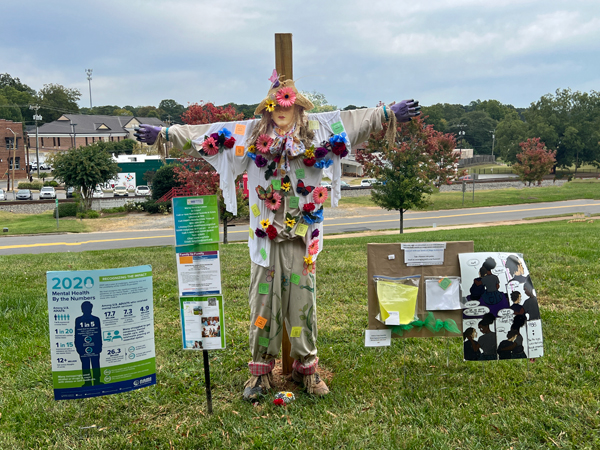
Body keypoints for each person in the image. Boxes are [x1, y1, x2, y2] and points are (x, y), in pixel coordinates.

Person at [135, 73, 420, 400]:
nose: (281, 110)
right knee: (264, 303)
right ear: (268, 108)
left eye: (289, 104)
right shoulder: (250, 134)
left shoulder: (319, 130)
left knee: (302, 303)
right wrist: (168, 134)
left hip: (304, 238)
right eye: (275, 105)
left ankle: (307, 369)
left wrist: (386, 114)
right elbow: (210, 135)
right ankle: (260, 372)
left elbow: (352, 121)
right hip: (265, 240)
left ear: (299, 107)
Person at [74, 301, 103, 387]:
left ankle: (97, 381)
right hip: (82, 346)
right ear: (82, 309)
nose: (86, 310)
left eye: (88, 308)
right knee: (85, 364)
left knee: (96, 363)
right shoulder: (78, 320)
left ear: (91, 309)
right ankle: (87, 382)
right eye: (85, 308)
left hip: (95, 346)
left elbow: (99, 333)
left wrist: (100, 345)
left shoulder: (96, 319)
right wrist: (77, 346)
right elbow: (77, 334)